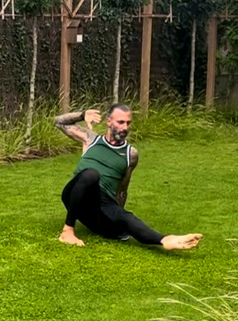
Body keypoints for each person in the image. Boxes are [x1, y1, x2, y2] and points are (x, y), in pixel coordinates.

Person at [55, 104, 202, 250]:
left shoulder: (131, 154)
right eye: (120, 122)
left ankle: (165, 240)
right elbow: (59, 122)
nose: (125, 127)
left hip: (102, 205)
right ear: (108, 122)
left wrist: (117, 217)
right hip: (76, 196)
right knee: (90, 174)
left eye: (128, 123)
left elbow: (121, 190)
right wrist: (82, 115)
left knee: (125, 217)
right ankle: (67, 232)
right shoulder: (91, 139)